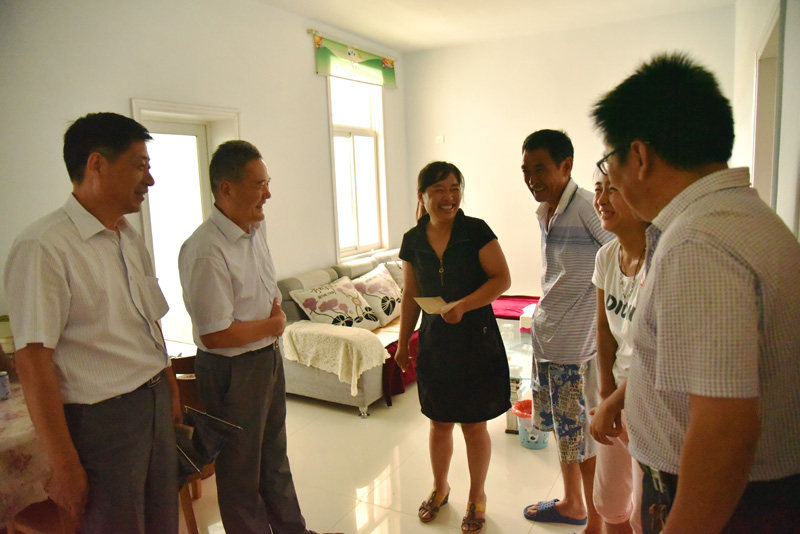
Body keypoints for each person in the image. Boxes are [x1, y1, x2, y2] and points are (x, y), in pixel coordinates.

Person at [591, 52, 800, 533]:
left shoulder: (697, 244)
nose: (610, 181)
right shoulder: (738, 217)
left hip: (727, 504)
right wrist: (622, 398)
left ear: (639, 156)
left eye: (609, 163)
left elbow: (724, 431)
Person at [3, 112, 180, 533]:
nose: (150, 180)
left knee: (162, 521)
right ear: (96, 164)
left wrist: (170, 388)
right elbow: (32, 361)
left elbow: (150, 323)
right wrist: (64, 464)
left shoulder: (128, 237)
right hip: (102, 422)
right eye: (140, 165)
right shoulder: (44, 247)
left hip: (152, 401)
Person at [178, 140, 341, 534]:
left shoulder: (254, 227)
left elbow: (265, 292)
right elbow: (215, 334)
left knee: (274, 457)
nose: (268, 193)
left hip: (266, 358)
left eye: (268, 182)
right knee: (240, 472)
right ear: (226, 189)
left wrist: (272, 323)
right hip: (232, 371)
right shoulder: (205, 250)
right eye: (259, 184)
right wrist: (274, 324)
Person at [394, 161, 511, 534]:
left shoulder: (476, 231)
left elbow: (502, 279)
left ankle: (477, 496)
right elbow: (410, 294)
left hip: (476, 339)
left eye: (454, 188)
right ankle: (440, 487)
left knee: (474, 425)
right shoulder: (413, 239)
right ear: (422, 195)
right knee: (439, 422)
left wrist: (464, 305)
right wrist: (402, 342)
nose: (449, 197)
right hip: (436, 342)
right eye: (439, 190)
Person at [520, 129, 613, 533]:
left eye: (540, 168)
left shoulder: (587, 207)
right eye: (526, 171)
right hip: (548, 341)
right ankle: (573, 503)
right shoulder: (548, 210)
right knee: (564, 431)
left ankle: (594, 520)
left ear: (566, 166)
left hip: (576, 348)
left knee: (582, 438)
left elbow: (620, 257)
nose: (531, 179)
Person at [588, 170, 648, 534]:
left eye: (612, 189)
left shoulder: (661, 261)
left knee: (646, 511)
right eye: (598, 189)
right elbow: (604, 330)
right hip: (614, 394)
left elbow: (656, 356)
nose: (601, 199)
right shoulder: (606, 256)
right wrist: (605, 392)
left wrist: (614, 402)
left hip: (650, 399)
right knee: (611, 502)